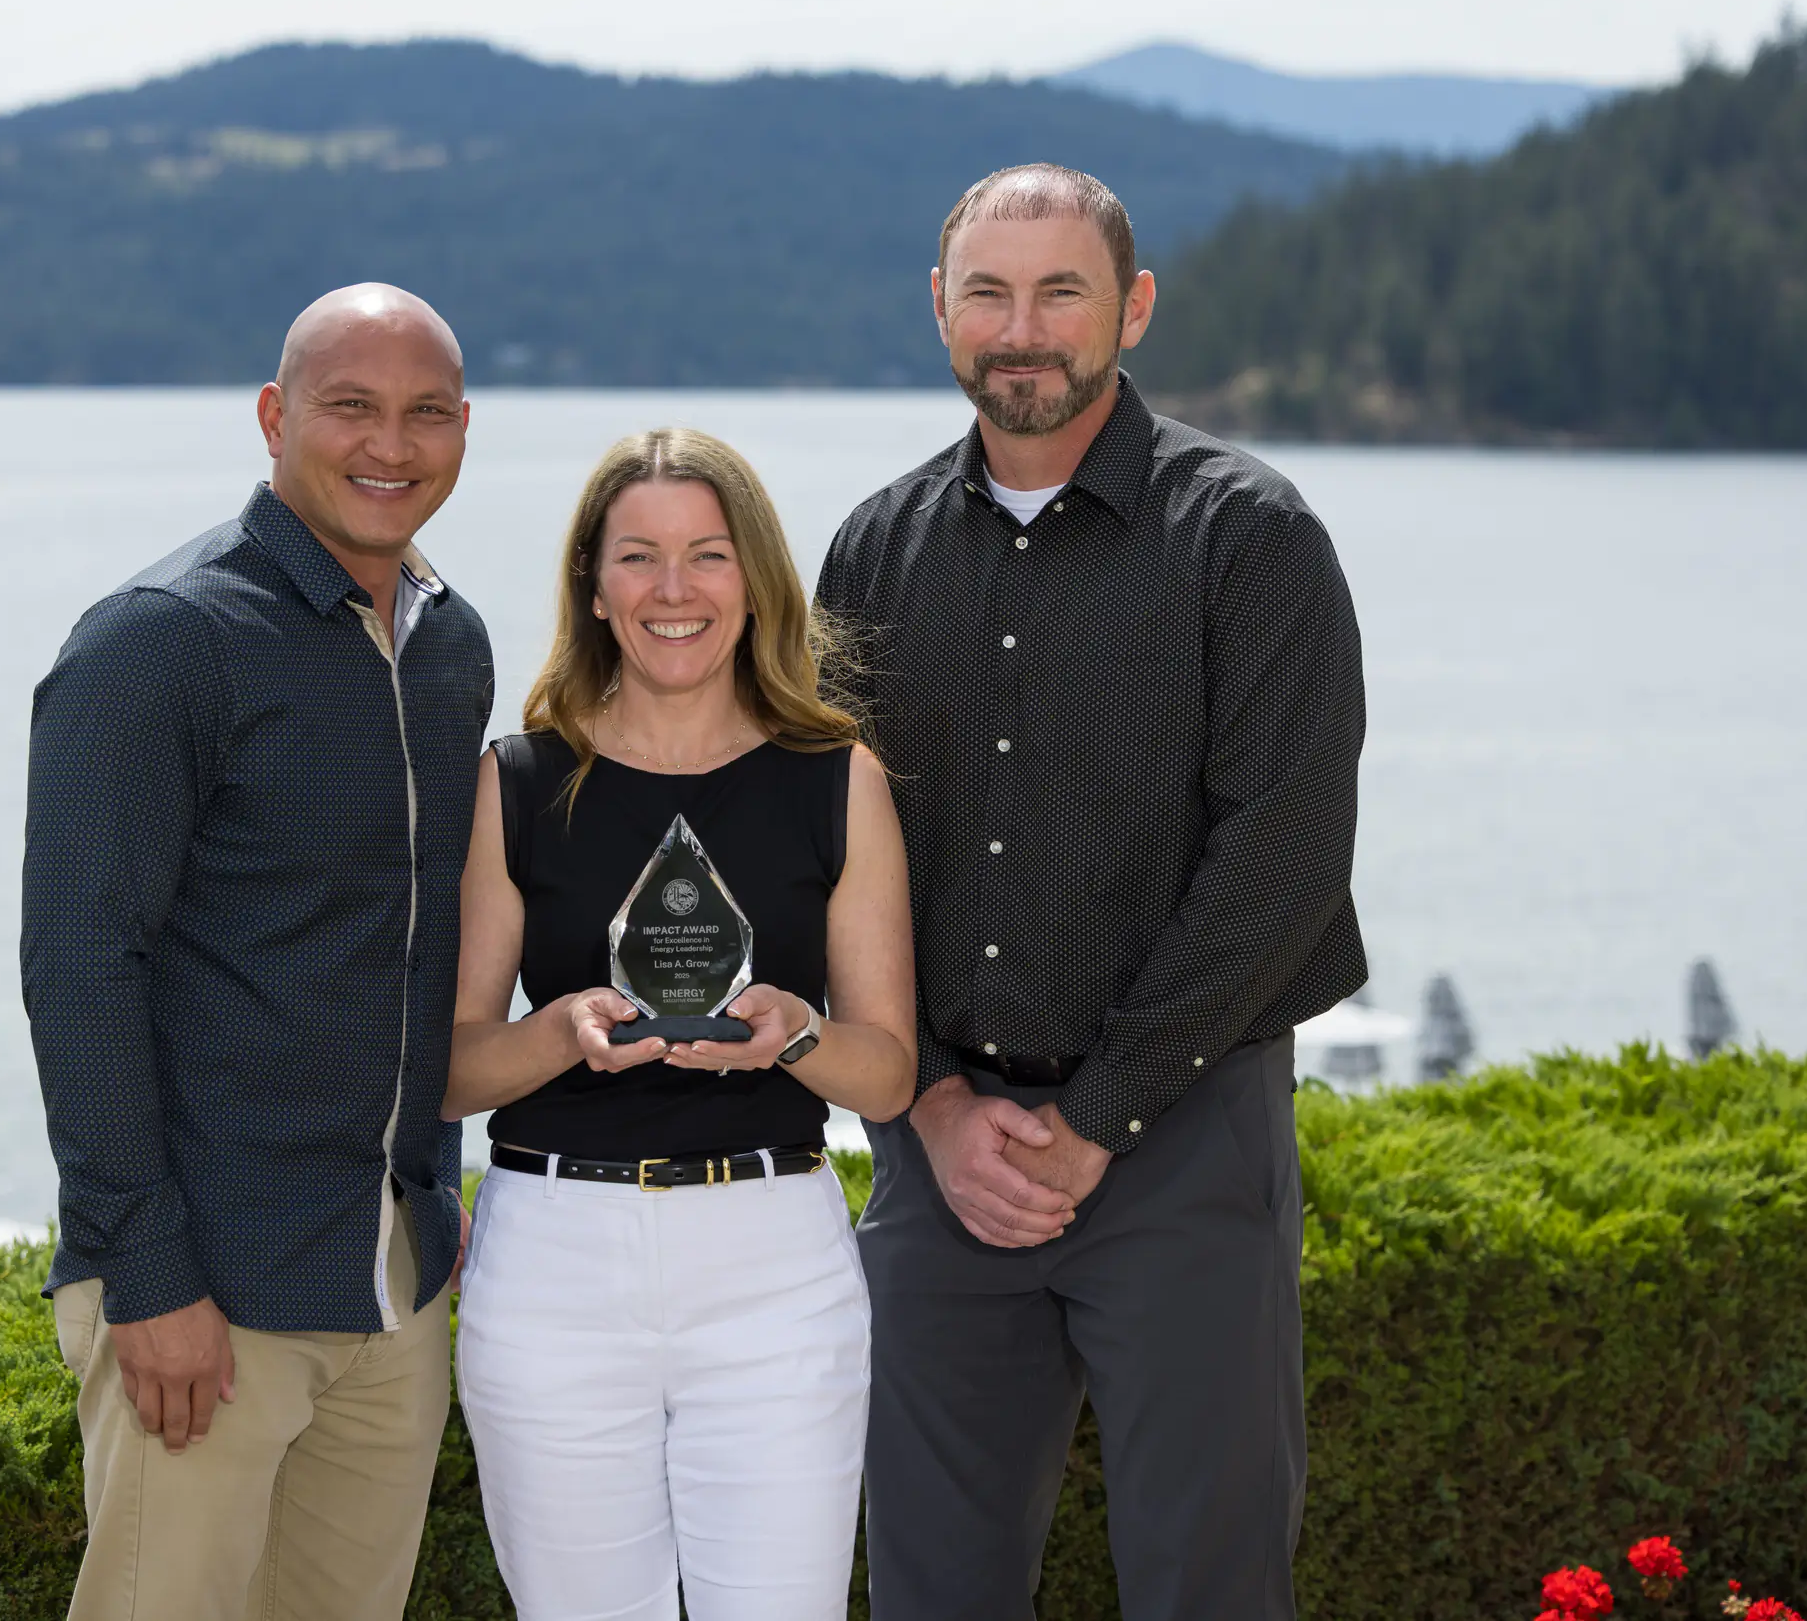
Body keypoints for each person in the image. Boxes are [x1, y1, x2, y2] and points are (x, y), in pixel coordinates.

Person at [814, 164, 1367, 1621]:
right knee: (929, 1587)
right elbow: (829, 852)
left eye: (1060, 292)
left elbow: (1284, 857)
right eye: (988, 294)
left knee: (1207, 1586)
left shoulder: (1248, 537)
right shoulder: (873, 549)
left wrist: (1097, 1115)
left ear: (1133, 308)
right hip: (943, 1156)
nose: (1022, 330)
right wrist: (932, 1106)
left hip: (1186, 1141)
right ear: (940, 310)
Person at [21, 283, 492, 1621]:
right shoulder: (160, 641)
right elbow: (80, 970)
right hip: (210, 1290)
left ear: (465, 429)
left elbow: (420, 944)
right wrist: (146, 1272)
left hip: (392, 1284)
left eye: (425, 412)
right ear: (276, 416)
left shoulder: (448, 644)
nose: (389, 445)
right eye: (351, 407)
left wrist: (433, 1195)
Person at [444, 427, 917, 1621]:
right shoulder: (515, 781)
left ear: (753, 579)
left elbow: (888, 1075)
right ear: (593, 586)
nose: (673, 589)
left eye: (707, 554)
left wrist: (797, 1032)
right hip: (552, 1266)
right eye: (638, 557)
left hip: (774, 1268)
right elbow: (449, 1069)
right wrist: (558, 1032)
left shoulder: (838, 778)